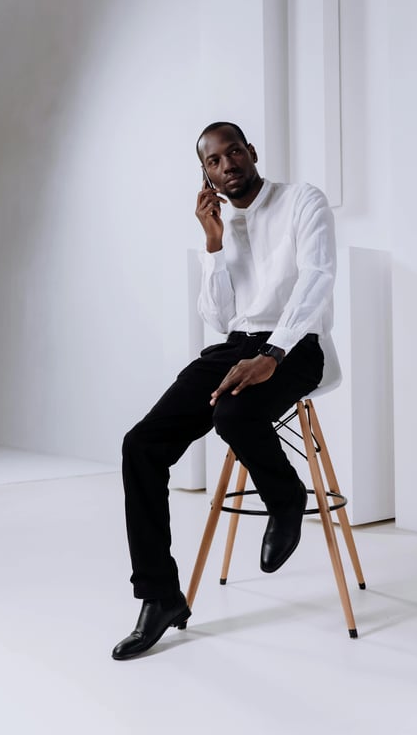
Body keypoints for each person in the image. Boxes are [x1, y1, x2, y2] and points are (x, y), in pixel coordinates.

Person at [112, 121, 336, 660]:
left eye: (233, 151)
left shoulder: (302, 200)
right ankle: (161, 597)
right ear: (206, 173)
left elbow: (317, 278)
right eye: (213, 160)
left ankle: (286, 499)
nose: (226, 164)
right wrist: (213, 242)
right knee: (140, 446)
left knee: (235, 416)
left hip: (297, 345)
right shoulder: (221, 222)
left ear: (251, 152)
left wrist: (273, 354)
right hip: (236, 344)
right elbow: (218, 318)